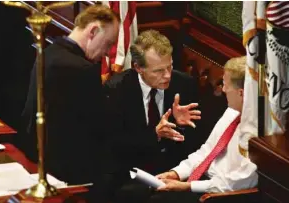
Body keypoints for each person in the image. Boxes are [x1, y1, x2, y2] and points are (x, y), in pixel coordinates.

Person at [119, 56, 258, 203]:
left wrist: (186, 186)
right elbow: (206, 152)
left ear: (241, 93)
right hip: (198, 180)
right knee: (129, 192)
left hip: (218, 195)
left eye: (225, 85)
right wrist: (176, 173)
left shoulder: (259, 135)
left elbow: (233, 184)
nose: (223, 89)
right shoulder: (232, 112)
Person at [21, 5, 120, 184]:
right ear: (93, 31)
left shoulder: (50, 52)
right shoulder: (82, 69)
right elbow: (98, 128)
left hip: (37, 157)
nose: (107, 52)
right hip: (68, 172)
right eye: (108, 44)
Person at [99, 29, 202, 201]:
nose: (167, 75)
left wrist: (181, 125)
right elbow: (113, 145)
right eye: (158, 71)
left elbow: (198, 142)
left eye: (170, 66)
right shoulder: (116, 90)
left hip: (173, 169)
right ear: (138, 67)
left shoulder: (185, 84)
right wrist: (155, 135)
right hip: (130, 169)